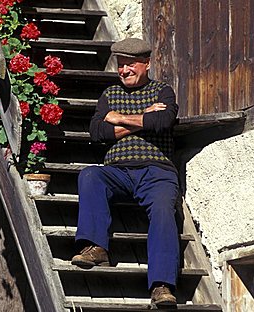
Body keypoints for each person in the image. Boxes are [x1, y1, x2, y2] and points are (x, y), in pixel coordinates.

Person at [71, 37, 180, 307]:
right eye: (120, 65)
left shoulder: (163, 91)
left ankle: (161, 286)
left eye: (130, 64)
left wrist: (119, 119)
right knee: (90, 175)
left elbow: (163, 121)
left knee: (164, 209)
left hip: (157, 171)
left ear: (146, 64)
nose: (124, 70)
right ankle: (97, 248)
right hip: (117, 172)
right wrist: (145, 118)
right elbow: (97, 132)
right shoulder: (109, 95)